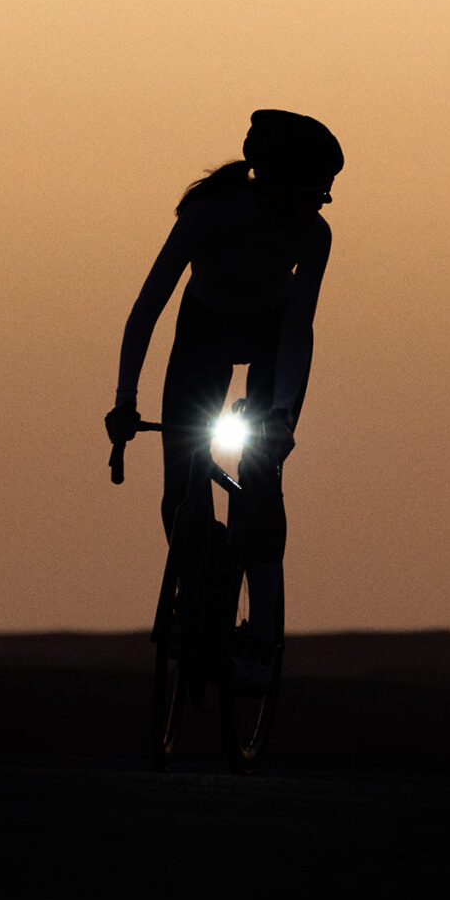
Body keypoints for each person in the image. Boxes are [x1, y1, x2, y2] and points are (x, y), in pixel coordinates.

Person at [105, 109, 343, 679]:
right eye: (311, 193)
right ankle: (195, 589)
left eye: (323, 196)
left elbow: (298, 330)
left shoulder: (313, 235)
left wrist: (282, 416)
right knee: (180, 482)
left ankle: (261, 631)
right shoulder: (208, 214)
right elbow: (148, 308)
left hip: (272, 339)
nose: (317, 207)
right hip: (203, 333)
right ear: (273, 180)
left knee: (261, 475)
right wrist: (124, 399)